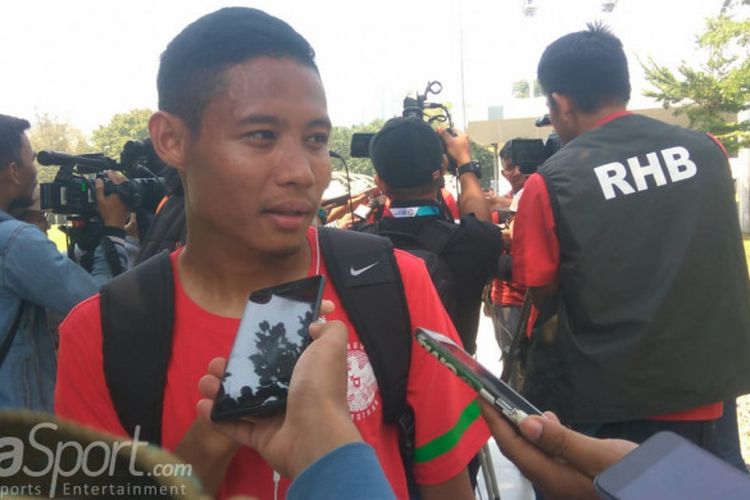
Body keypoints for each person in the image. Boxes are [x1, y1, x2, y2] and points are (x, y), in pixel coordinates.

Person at [55, 8, 489, 499]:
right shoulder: (105, 332)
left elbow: (448, 488)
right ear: (171, 140)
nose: (301, 171)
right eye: (261, 135)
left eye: (317, 140)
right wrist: (211, 439)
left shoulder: (394, 284)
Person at [511, 23, 750, 452]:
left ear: (560, 103)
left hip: (610, 406)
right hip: (708, 389)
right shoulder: (707, 150)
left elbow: (541, 289)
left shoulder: (550, 183)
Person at [0, 114, 128, 412]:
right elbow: (99, 305)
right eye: (31, 159)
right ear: (14, 171)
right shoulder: (15, 242)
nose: (35, 170)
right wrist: (113, 230)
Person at [356, 117, 503, 354]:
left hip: (383, 385)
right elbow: (480, 225)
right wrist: (465, 162)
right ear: (442, 167)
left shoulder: (356, 247)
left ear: (379, 183)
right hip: (454, 384)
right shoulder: (471, 241)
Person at [487, 140, 530, 363]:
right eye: (511, 167)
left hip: (543, 298)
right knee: (514, 366)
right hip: (509, 299)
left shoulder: (544, 195)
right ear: (503, 172)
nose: (518, 172)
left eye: (522, 165)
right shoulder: (497, 206)